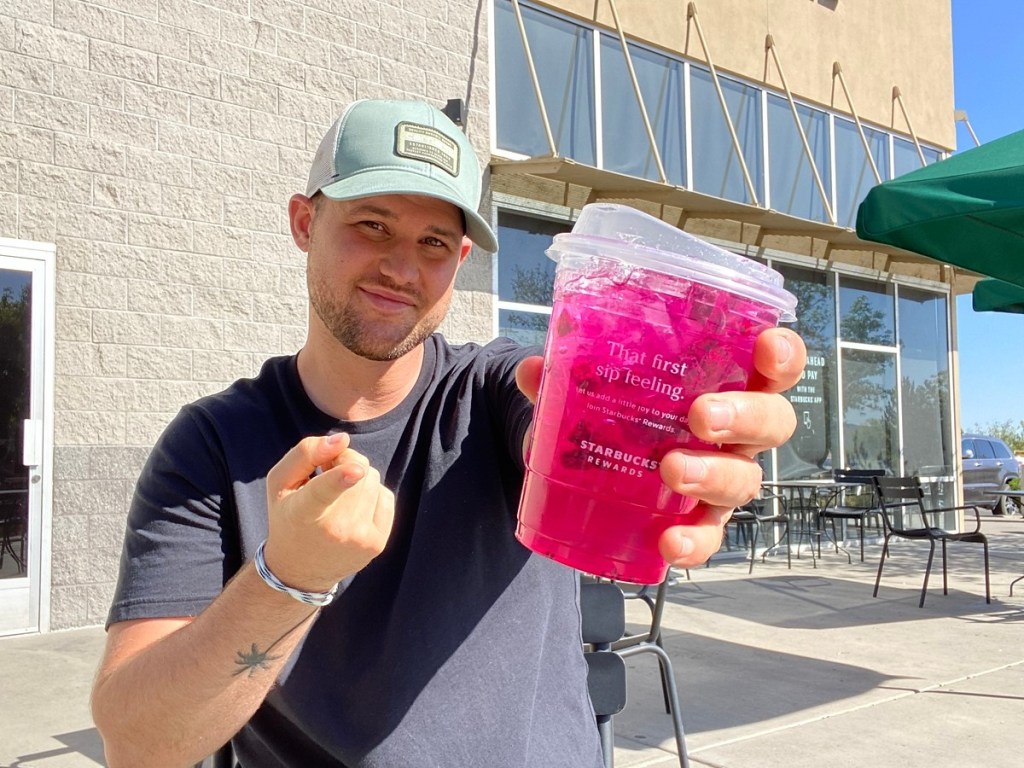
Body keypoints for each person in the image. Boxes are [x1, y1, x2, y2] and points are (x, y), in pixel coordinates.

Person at [91, 98, 806, 768]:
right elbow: (139, 741)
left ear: (460, 263)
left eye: (434, 241)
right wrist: (290, 577)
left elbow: (556, 427)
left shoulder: (494, 390)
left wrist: (685, 438)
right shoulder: (214, 443)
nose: (403, 268)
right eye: (372, 225)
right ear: (305, 222)